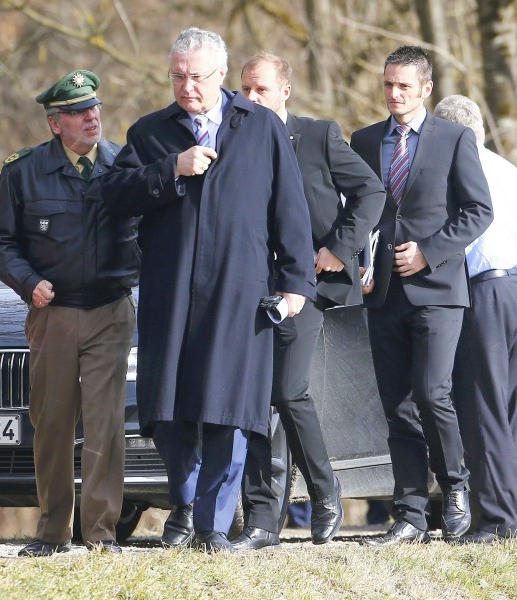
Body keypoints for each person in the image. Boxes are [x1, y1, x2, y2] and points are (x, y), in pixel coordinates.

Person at [101, 28, 315, 553]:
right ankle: (187, 500)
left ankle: (213, 527)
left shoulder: (261, 127)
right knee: (169, 412)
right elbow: (115, 195)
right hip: (169, 294)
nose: (187, 86)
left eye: (197, 76)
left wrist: (295, 283)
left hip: (238, 292)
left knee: (228, 409)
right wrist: (170, 169)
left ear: (221, 76)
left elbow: (289, 209)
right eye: (177, 75)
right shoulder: (150, 132)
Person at [237, 51, 386, 549]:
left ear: (285, 90)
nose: (250, 98)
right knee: (252, 394)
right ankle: (262, 514)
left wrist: (338, 249)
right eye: (244, 90)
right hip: (253, 288)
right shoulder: (233, 139)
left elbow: (370, 191)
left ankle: (325, 493)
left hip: (312, 284)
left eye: (260, 89)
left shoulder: (318, 136)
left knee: (286, 388)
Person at [0, 70, 139, 557]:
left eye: (93, 107)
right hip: (53, 315)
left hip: (110, 310)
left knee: (105, 423)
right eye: (77, 112)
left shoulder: (124, 164)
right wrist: (29, 283)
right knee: (52, 423)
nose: (90, 117)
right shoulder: (24, 171)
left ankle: (100, 534)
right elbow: (1, 244)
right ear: (56, 124)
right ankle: (53, 531)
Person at [349, 46, 493, 545]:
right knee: (397, 405)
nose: (394, 94)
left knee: (433, 393)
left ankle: (455, 487)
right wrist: (358, 261)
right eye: (388, 84)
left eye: (404, 85)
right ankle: (409, 514)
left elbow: (478, 210)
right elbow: (361, 213)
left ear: (426, 88)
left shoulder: (454, 139)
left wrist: (430, 252)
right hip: (382, 293)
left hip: (438, 291)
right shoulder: (365, 140)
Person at [433, 94, 517, 544]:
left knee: (483, 407)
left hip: (487, 290)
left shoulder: (455, 171)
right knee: (509, 412)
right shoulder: (507, 169)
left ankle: (498, 519)